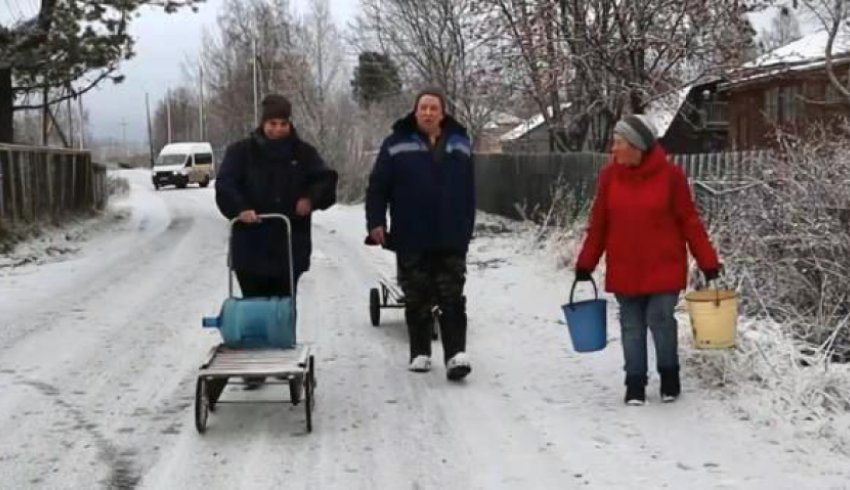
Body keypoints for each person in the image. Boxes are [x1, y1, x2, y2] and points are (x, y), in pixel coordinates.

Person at [574, 114, 721, 405]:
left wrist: (708, 261)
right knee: (631, 324)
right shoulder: (609, 178)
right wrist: (586, 262)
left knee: (660, 318)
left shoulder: (671, 177)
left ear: (637, 145)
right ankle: (635, 383)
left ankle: (669, 375)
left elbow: (690, 221)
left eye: (618, 143)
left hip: (663, 265)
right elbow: (599, 224)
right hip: (625, 266)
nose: (613, 149)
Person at [215, 93, 338, 388]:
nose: (278, 129)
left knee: (284, 303)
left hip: (288, 240)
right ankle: (253, 363)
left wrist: (310, 198)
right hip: (251, 241)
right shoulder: (241, 152)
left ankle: (284, 356)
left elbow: (326, 179)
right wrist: (240, 208)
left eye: (283, 123)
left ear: (289, 123)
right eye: (272, 123)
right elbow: (225, 184)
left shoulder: (303, 153)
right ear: (263, 123)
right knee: (254, 304)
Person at [365, 88, 476, 381]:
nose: (428, 113)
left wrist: (467, 227)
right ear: (415, 112)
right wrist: (375, 221)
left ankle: (455, 355)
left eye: (433, 108)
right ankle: (420, 352)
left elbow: (469, 191)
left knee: (452, 296)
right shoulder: (395, 143)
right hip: (411, 233)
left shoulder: (460, 143)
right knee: (416, 296)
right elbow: (377, 186)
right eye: (423, 108)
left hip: (450, 234)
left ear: (443, 113)